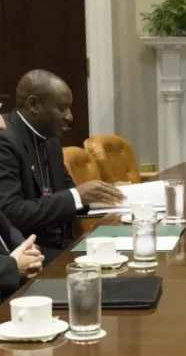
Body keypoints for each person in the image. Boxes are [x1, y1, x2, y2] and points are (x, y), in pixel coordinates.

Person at [0, 69, 124, 264]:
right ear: (34, 105)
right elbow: (10, 212)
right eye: (62, 108)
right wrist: (78, 195)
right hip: (31, 253)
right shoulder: (5, 140)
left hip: (64, 245)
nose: (70, 117)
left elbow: (69, 195)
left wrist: (107, 196)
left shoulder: (50, 141)